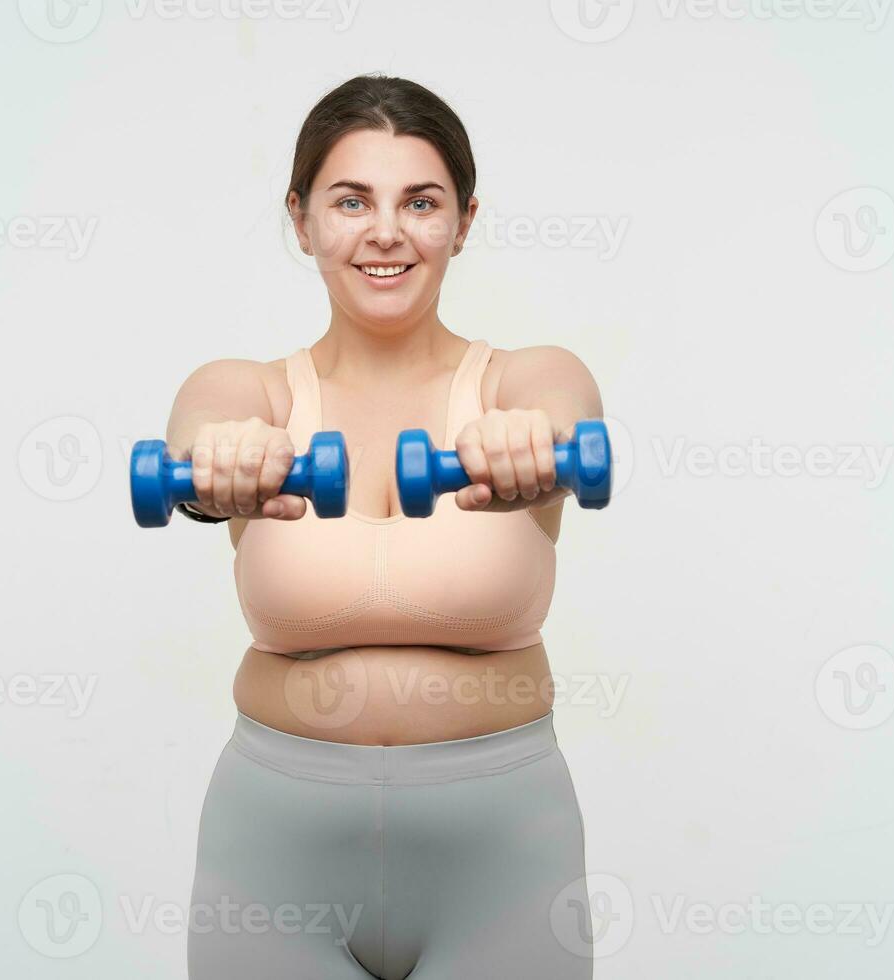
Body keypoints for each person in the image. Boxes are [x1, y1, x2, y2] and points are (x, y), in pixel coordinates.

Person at [165, 72, 603, 979]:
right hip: (273, 851)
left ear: (465, 222)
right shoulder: (245, 392)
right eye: (351, 200)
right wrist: (226, 461)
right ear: (302, 220)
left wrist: (532, 441)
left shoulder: (526, 380)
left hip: (503, 852)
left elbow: (565, 419)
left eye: (422, 202)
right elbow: (196, 451)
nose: (386, 231)